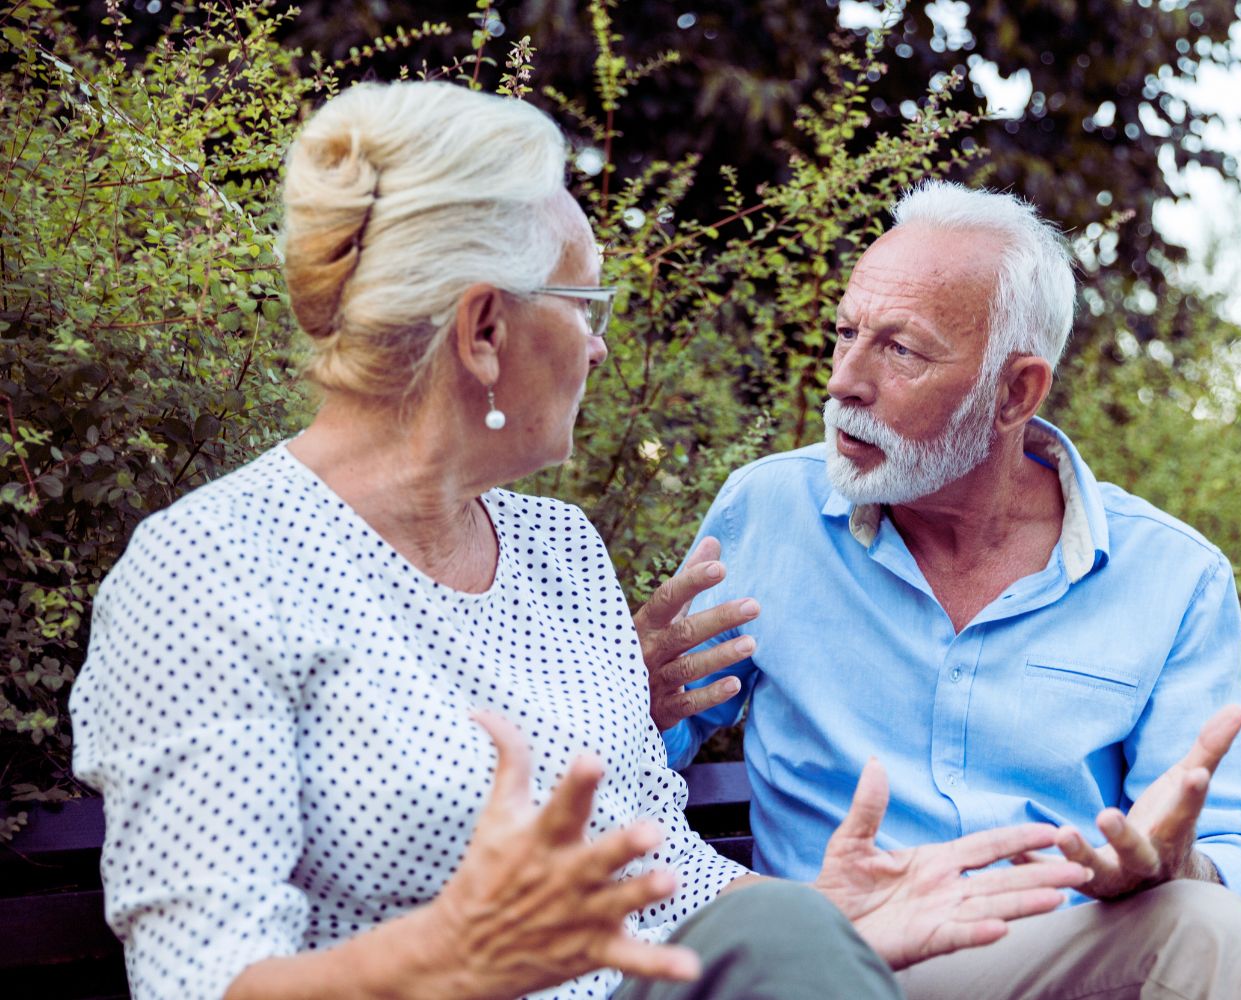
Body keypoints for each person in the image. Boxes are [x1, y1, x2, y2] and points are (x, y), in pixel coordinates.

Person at [68, 83, 1093, 1000]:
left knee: (783, 929)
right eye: (586, 301)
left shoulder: (560, 551)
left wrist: (830, 912)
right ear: (485, 331)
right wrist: (447, 958)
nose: (601, 343)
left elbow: (666, 875)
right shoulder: (206, 572)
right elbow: (203, 981)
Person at [642, 181, 1241, 998]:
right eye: (846, 334)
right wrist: (634, 691)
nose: (844, 381)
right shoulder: (770, 513)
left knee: (1203, 923)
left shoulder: (1172, 577)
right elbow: (613, 773)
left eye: (900, 349)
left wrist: (1183, 867)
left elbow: (1240, 858)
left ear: (1015, 392)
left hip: (1052, 967)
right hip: (836, 963)